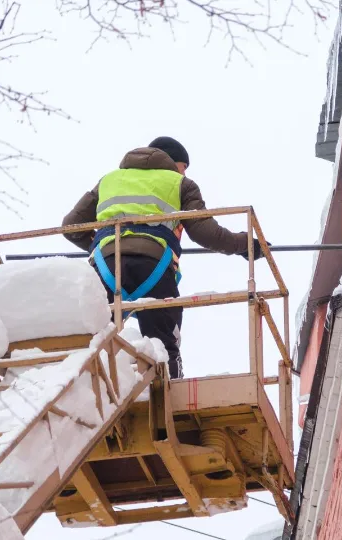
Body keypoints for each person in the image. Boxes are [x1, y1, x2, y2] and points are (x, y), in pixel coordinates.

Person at [62, 136, 266, 379]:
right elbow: (204, 232)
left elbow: (71, 226)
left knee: (96, 340)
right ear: (171, 160)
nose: (184, 172)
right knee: (163, 345)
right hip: (153, 267)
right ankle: (170, 385)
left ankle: (88, 385)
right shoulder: (180, 183)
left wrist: (102, 249)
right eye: (184, 166)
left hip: (105, 267)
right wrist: (246, 245)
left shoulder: (108, 180)